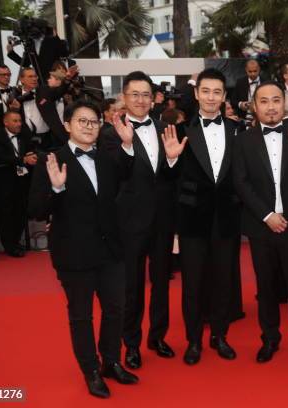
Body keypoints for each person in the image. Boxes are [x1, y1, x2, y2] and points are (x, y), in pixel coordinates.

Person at [28, 100, 138, 398]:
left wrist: (128, 146)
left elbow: (126, 177)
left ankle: (111, 361)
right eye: (82, 121)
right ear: (67, 125)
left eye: (94, 122)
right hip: (74, 254)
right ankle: (91, 370)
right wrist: (57, 189)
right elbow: (36, 211)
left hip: (110, 251)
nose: (89, 127)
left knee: (116, 309)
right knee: (81, 316)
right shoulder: (51, 160)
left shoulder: (106, 159)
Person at [97, 71, 180, 370]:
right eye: (135, 94)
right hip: (129, 222)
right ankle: (130, 344)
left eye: (146, 94)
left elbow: (169, 179)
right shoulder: (110, 133)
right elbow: (115, 174)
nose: (141, 100)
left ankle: (157, 337)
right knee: (131, 285)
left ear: (153, 98)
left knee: (161, 282)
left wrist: (172, 160)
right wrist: (127, 145)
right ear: (124, 97)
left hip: (162, 219)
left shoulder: (164, 128)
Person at [233, 81, 288, 363]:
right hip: (261, 225)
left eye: (276, 100)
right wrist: (267, 215)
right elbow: (241, 183)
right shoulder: (243, 140)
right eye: (264, 101)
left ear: (285, 103)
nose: (271, 106)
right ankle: (269, 339)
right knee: (266, 288)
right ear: (255, 107)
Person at [174, 68, 241, 365]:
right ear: (196, 93)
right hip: (192, 220)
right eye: (206, 91)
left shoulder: (237, 130)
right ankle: (193, 341)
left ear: (224, 96)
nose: (211, 97)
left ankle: (220, 335)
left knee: (224, 281)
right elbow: (170, 180)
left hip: (227, 218)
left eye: (217, 92)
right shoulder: (181, 131)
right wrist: (172, 158)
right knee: (193, 283)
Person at [0, 110, 37, 257]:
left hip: (22, 181)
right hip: (4, 182)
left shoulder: (24, 134)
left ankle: (16, 242)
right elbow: (1, 157)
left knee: (21, 211)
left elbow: (30, 149)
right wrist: (23, 159)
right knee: (6, 214)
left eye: (20, 121)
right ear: (6, 122)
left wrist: (30, 154)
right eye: (15, 121)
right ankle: (9, 246)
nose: (19, 124)